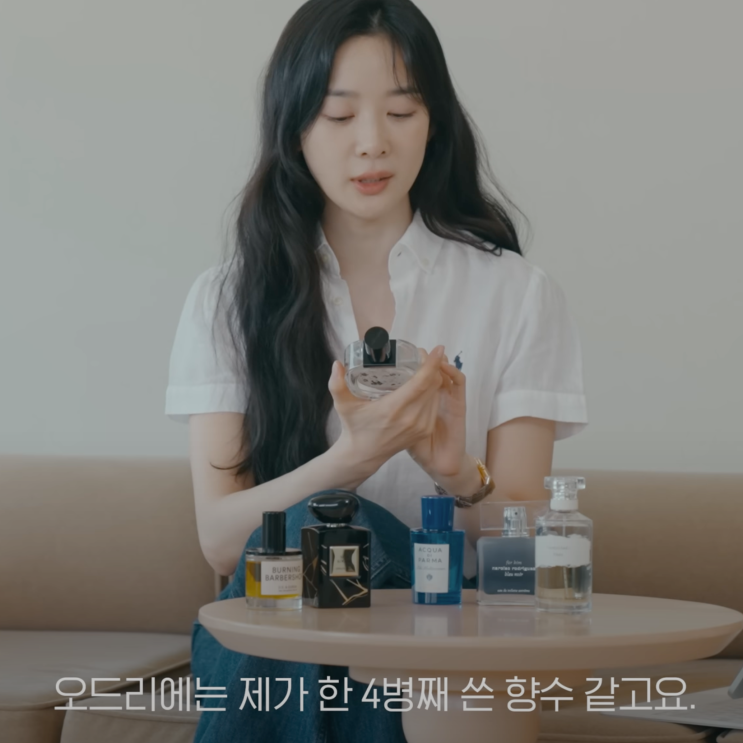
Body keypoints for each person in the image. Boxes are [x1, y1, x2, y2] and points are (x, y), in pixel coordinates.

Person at [165, 0, 588, 740]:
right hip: (277, 621)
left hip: (445, 622)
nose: (372, 144)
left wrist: (457, 475)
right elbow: (221, 541)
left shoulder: (517, 294)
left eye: (400, 112)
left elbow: (520, 544)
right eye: (338, 116)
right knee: (323, 528)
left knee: (351, 547)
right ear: (294, 128)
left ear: (434, 123)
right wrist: (352, 459)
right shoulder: (227, 299)